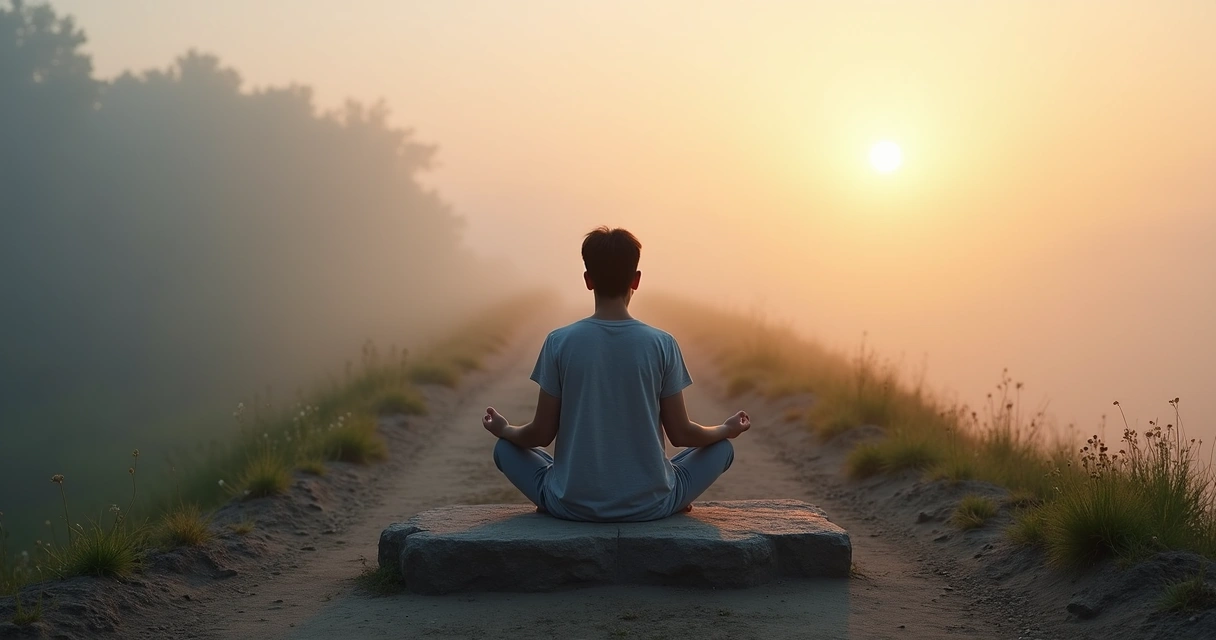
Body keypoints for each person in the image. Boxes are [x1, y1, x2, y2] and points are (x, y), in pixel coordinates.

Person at [483, 226, 750, 522]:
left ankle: (557, 496)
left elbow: (541, 434)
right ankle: (672, 498)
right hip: (652, 505)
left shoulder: (559, 341)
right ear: (636, 280)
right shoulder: (662, 343)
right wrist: (726, 429)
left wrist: (504, 429)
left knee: (505, 449)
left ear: (588, 280)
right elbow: (682, 434)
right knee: (721, 448)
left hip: (569, 505)